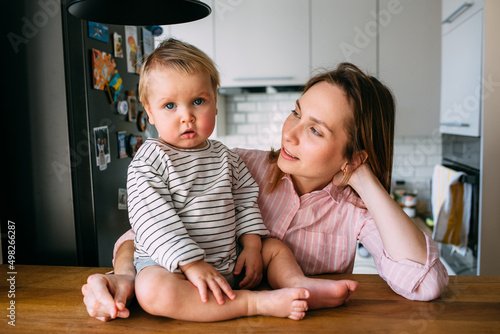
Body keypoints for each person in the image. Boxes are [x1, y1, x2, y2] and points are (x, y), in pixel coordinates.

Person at [82, 59, 449, 322]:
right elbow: (140, 231)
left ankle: (301, 288)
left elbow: (426, 283)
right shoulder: (237, 163)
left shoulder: (358, 211)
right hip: (203, 301)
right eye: (296, 112)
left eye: (315, 130)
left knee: (274, 248)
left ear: (353, 155)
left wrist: (363, 178)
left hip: (293, 320)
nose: (288, 133)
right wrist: (125, 276)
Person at [110, 38, 358, 322]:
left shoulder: (227, 157)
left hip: (228, 262)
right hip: (171, 268)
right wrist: (191, 264)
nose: (187, 116)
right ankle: (254, 304)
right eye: (170, 106)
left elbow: (246, 202)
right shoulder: (150, 160)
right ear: (149, 111)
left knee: (274, 248)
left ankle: (298, 285)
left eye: (198, 101)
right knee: (152, 290)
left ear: (215, 102)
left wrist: (252, 246)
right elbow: (152, 221)